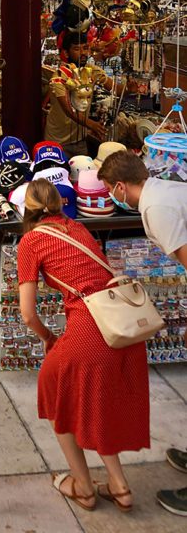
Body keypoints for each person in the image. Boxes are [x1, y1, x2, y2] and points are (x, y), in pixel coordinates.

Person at [18, 178, 149, 512]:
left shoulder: (31, 241)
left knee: (54, 392)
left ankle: (83, 486)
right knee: (97, 401)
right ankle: (119, 486)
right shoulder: (77, 228)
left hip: (91, 329)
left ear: (26, 210)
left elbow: (27, 313)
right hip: (119, 326)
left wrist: (49, 338)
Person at [98, 150, 187, 517]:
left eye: (109, 191)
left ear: (121, 186)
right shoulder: (163, 189)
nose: (109, 197)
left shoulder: (155, 210)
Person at [44, 32, 119, 157]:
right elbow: (69, 109)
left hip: (80, 142)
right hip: (57, 142)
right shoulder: (59, 76)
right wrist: (91, 124)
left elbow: (114, 88)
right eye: (77, 49)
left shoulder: (92, 71)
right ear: (66, 53)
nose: (83, 53)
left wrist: (130, 87)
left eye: (85, 48)